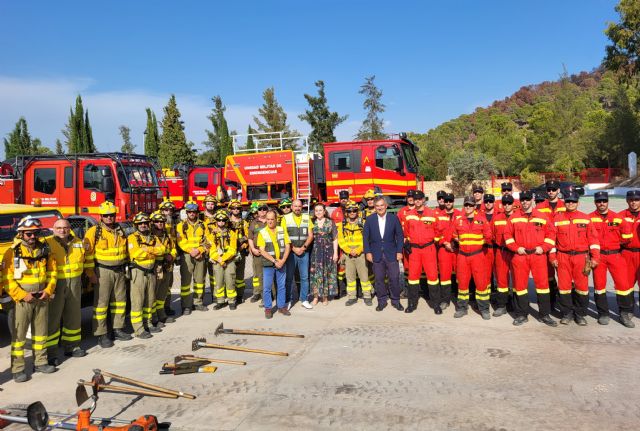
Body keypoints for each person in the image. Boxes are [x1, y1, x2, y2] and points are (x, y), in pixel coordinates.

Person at [2, 216, 57, 382]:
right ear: (21, 234)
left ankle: (40, 362)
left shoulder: (45, 250)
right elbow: (7, 279)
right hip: (22, 299)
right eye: (28, 234)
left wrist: (48, 291)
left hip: (42, 296)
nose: (33, 237)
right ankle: (18, 369)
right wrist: (22, 295)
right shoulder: (12, 252)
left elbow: (53, 273)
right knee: (18, 336)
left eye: (35, 233)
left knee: (41, 333)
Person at [503, 191, 557, 326]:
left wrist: (543, 248)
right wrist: (516, 248)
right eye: (523, 200)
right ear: (519, 201)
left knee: (543, 286)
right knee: (520, 286)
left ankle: (544, 314)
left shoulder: (542, 216)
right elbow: (507, 236)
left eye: (527, 199)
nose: (525, 202)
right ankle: (521, 315)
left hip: (538, 255)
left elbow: (551, 235)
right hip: (520, 256)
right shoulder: (514, 217)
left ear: (532, 200)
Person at [84, 201, 132, 348]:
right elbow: (87, 254)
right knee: (101, 304)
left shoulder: (120, 230)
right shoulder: (94, 232)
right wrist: (90, 273)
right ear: (101, 217)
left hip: (119, 270)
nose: (109, 218)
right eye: (106, 216)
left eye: (112, 215)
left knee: (120, 301)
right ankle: (101, 334)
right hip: (102, 271)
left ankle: (118, 329)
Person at [549, 191, 600, 326]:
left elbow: (593, 240)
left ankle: (580, 314)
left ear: (578, 202)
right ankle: (567, 313)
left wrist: (595, 257)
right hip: (563, 257)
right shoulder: (557, 219)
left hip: (581, 257)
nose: (570, 203)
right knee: (564, 287)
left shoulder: (585, 218)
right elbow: (551, 241)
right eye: (568, 201)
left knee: (582, 287)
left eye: (573, 201)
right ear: (564, 202)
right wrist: (552, 257)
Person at [442, 196, 492, 319]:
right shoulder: (458, 221)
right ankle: (462, 308)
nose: (468, 207)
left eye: (470, 205)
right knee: (462, 284)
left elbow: (489, 236)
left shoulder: (482, 220)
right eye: (466, 205)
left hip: (477, 256)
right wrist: (457, 240)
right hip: (463, 256)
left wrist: (480, 242)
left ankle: (484, 309)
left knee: (481, 283)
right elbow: (453, 235)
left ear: (475, 206)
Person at [46, 218, 87, 366]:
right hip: (56, 284)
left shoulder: (78, 242)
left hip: (75, 282)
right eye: (59, 228)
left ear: (70, 228)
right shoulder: (48, 243)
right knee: (53, 319)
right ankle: (51, 354)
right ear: (53, 229)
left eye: (65, 227)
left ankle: (72, 346)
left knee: (74, 316)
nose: (62, 230)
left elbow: (84, 259)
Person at [591, 192, 634, 327]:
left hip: (616, 255)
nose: (602, 203)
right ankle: (603, 313)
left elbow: (627, 237)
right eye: (599, 201)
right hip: (599, 256)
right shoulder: (589, 218)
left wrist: (616, 245)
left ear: (608, 201)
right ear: (595, 202)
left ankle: (624, 314)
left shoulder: (618, 218)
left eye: (604, 201)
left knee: (623, 285)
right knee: (599, 286)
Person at [128, 212, 166, 339]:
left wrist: (147, 250)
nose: (143, 225)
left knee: (150, 300)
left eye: (145, 223)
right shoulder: (132, 238)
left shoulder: (153, 237)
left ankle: (148, 323)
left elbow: (162, 250)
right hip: (138, 272)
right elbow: (136, 253)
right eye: (140, 224)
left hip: (151, 272)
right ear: (136, 225)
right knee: (138, 301)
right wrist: (152, 251)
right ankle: (139, 329)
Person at [364, 197, 404, 311]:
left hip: (391, 253)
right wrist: (368, 252)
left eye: (382, 205)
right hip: (376, 254)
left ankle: (396, 300)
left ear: (386, 206)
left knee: (394, 278)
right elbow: (366, 238)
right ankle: (381, 301)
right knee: (379, 279)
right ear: (375, 207)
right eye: (377, 206)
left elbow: (400, 236)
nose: (380, 207)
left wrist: (399, 251)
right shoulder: (370, 219)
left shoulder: (394, 218)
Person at [404, 191, 440, 314]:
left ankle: (436, 305)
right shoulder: (408, 215)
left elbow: (437, 231)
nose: (417, 201)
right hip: (414, 251)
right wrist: (408, 242)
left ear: (423, 199)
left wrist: (432, 242)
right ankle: (412, 304)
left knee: (433, 277)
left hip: (428, 249)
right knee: (413, 278)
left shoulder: (432, 213)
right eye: (415, 199)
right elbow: (406, 232)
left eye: (420, 199)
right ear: (413, 200)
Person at [536, 180, 566, 310]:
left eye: (554, 189)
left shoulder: (567, 205)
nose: (551, 192)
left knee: (565, 275)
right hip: (546, 245)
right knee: (548, 276)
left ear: (558, 191)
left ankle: (565, 302)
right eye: (549, 190)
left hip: (562, 246)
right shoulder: (539, 207)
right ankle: (551, 301)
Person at [257, 209, 291, 318]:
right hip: (269, 264)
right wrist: (275, 261)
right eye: (268, 219)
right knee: (267, 287)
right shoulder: (262, 232)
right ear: (265, 220)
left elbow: (287, 246)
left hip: (281, 263)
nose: (270, 221)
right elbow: (262, 250)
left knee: (281, 286)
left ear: (276, 220)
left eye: (272, 219)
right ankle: (268, 308)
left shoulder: (282, 230)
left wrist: (282, 261)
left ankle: (281, 307)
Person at [337, 201, 372, 307]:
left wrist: (358, 250)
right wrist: (348, 250)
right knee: (350, 278)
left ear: (358, 211)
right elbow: (340, 240)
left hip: (360, 254)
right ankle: (352, 297)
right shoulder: (342, 225)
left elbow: (367, 239)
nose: (352, 212)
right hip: (348, 255)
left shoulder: (363, 223)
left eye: (354, 210)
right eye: (349, 211)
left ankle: (367, 296)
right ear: (346, 212)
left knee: (364, 277)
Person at [282, 199, 313, 309]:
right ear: (291, 207)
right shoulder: (285, 218)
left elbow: (310, 235)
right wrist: (294, 248)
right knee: (289, 278)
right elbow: (284, 236)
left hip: (304, 252)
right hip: (291, 253)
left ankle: (304, 299)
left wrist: (304, 248)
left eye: (299, 206)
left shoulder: (307, 217)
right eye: (295, 206)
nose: (297, 208)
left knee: (304, 277)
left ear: (302, 207)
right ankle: (288, 300)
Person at [177, 201, 207, 314]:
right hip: (187, 255)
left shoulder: (203, 225)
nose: (192, 214)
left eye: (194, 212)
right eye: (189, 212)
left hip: (200, 254)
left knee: (199, 280)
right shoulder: (181, 225)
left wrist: (199, 250)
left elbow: (207, 241)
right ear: (187, 213)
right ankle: (186, 306)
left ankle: (198, 302)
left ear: (197, 213)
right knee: (186, 281)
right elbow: (180, 241)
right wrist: (191, 251)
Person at [490, 194, 518, 317]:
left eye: (509, 203)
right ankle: (502, 305)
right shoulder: (496, 218)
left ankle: (516, 304)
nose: (507, 205)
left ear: (513, 204)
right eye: (505, 203)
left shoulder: (518, 217)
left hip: (515, 252)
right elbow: (491, 234)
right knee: (502, 279)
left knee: (517, 279)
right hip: (501, 252)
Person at [206, 210, 238, 310]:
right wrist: (219, 260)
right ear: (216, 221)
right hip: (217, 261)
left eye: (223, 220)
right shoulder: (212, 234)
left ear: (226, 221)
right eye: (219, 220)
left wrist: (223, 259)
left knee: (230, 280)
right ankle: (220, 301)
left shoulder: (232, 233)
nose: (221, 222)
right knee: (218, 281)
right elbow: (211, 249)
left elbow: (233, 250)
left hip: (229, 261)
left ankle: (232, 300)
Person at [150, 210, 176, 325]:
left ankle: (161, 314)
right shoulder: (150, 237)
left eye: (162, 221)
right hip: (155, 267)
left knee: (162, 292)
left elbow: (173, 247)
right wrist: (165, 253)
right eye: (157, 221)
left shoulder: (167, 235)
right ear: (152, 223)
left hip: (166, 266)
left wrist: (172, 255)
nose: (160, 223)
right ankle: (153, 317)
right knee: (153, 293)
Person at [310, 203, 339, 305]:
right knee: (315, 274)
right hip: (315, 252)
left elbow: (335, 238)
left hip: (328, 251)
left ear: (324, 211)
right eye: (316, 210)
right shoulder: (311, 222)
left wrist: (335, 253)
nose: (318, 212)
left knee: (326, 273)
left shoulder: (330, 222)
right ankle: (316, 297)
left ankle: (325, 297)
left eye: (320, 210)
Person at [435, 193, 460, 310]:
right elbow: (435, 234)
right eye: (446, 201)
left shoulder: (460, 215)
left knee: (460, 275)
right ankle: (445, 300)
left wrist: (455, 243)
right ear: (444, 202)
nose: (448, 203)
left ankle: (460, 299)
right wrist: (445, 243)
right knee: (445, 277)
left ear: (453, 201)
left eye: (450, 201)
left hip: (457, 250)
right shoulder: (439, 216)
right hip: (444, 250)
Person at [621, 190, 640, 323]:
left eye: (637, 199)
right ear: (627, 201)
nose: (634, 202)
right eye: (631, 199)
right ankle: (626, 311)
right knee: (625, 284)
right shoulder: (620, 216)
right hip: (626, 253)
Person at [159, 199, 178, 316]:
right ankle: (160, 311)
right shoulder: (157, 224)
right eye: (166, 210)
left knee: (168, 285)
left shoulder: (172, 223)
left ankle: (167, 306)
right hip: (161, 260)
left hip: (170, 259)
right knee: (160, 287)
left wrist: (174, 255)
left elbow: (173, 243)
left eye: (170, 210)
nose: (168, 213)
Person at [228, 199, 249, 303]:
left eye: (238, 208)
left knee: (240, 276)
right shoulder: (226, 222)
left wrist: (243, 245)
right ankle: (231, 296)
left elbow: (248, 236)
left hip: (241, 251)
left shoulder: (244, 222)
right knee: (230, 275)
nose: (236, 210)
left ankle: (240, 295)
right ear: (230, 209)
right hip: (229, 252)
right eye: (234, 208)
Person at [248, 203, 269, 304]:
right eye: (260, 209)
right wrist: (252, 249)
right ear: (257, 211)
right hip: (258, 252)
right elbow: (250, 238)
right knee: (258, 274)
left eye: (264, 209)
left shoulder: (271, 220)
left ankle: (270, 294)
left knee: (269, 274)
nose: (262, 211)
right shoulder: (253, 222)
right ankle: (258, 293)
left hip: (269, 252)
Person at [332, 190, 350, 297]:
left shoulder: (352, 210)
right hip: (339, 244)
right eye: (342, 198)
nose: (343, 200)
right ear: (339, 199)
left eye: (345, 198)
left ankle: (354, 290)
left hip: (351, 243)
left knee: (352, 267)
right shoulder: (335, 213)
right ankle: (339, 290)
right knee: (340, 267)